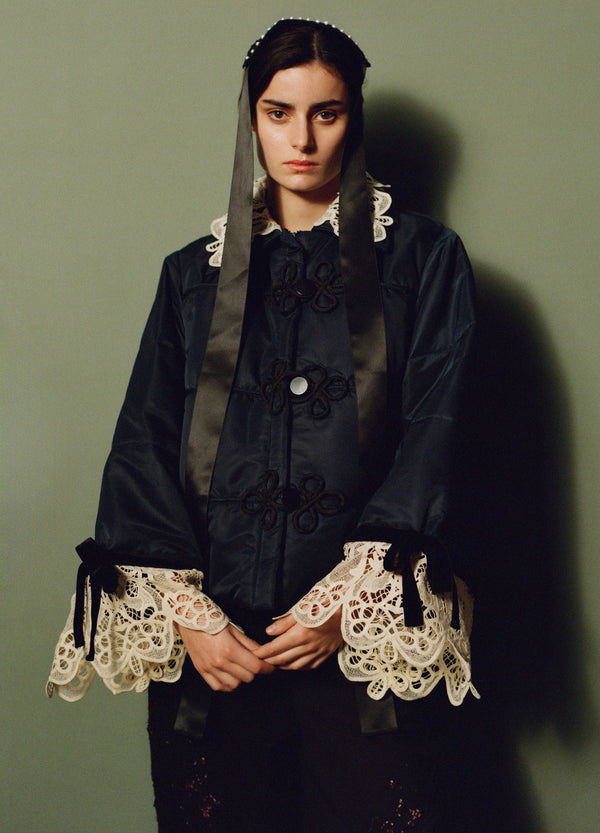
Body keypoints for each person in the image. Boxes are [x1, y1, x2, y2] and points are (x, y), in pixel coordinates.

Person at [48, 18, 478, 833]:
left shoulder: (425, 260)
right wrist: (190, 616)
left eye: (327, 113)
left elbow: (438, 428)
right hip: (215, 661)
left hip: (362, 652)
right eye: (279, 113)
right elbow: (142, 441)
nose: (302, 139)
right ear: (251, 117)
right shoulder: (190, 276)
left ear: (354, 117)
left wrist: (346, 604)